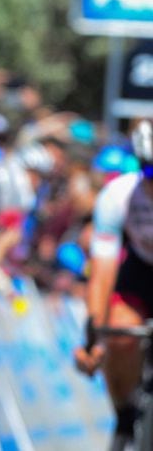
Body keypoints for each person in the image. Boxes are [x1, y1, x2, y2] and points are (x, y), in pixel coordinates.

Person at [74, 119, 153, 447]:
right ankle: (123, 413)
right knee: (119, 333)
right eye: (149, 173)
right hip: (139, 271)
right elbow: (102, 272)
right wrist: (93, 336)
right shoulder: (118, 194)